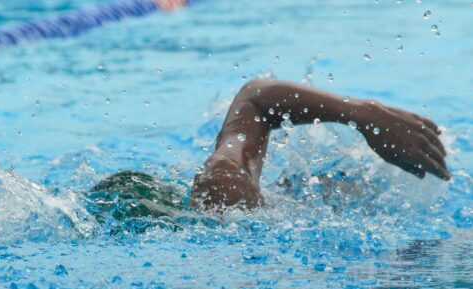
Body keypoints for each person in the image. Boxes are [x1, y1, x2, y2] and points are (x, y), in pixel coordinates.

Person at [90, 79, 449, 217]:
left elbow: (257, 99)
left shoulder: (221, 192)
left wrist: (365, 114)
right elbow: (255, 100)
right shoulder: (223, 196)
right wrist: (362, 113)